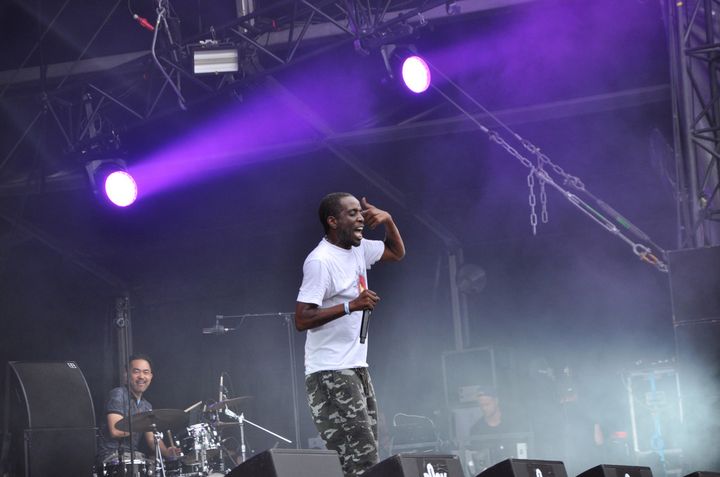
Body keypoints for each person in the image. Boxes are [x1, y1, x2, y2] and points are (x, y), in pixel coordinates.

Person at [295, 193, 405, 477]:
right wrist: (350, 305)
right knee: (361, 461)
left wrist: (389, 220)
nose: (361, 219)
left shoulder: (357, 249)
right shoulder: (320, 261)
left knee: (366, 459)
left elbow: (396, 252)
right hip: (330, 371)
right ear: (333, 221)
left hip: (356, 367)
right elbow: (302, 318)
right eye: (353, 213)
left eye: (361, 212)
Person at [96, 354, 181, 467]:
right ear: (126, 375)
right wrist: (141, 424)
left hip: (133, 458)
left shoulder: (146, 405)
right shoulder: (118, 394)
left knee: (158, 466)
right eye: (136, 371)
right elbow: (115, 431)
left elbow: (151, 440)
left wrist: (167, 452)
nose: (141, 376)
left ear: (151, 377)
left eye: (146, 372)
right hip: (112, 458)